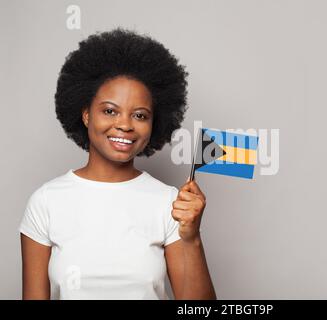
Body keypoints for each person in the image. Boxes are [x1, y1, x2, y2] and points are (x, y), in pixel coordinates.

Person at [18, 27, 216, 300]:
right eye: (110, 111)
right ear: (86, 115)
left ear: (153, 124)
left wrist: (192, 239)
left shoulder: (171, 203)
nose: (124, 124)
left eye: (140, 115)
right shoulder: (46, 202)